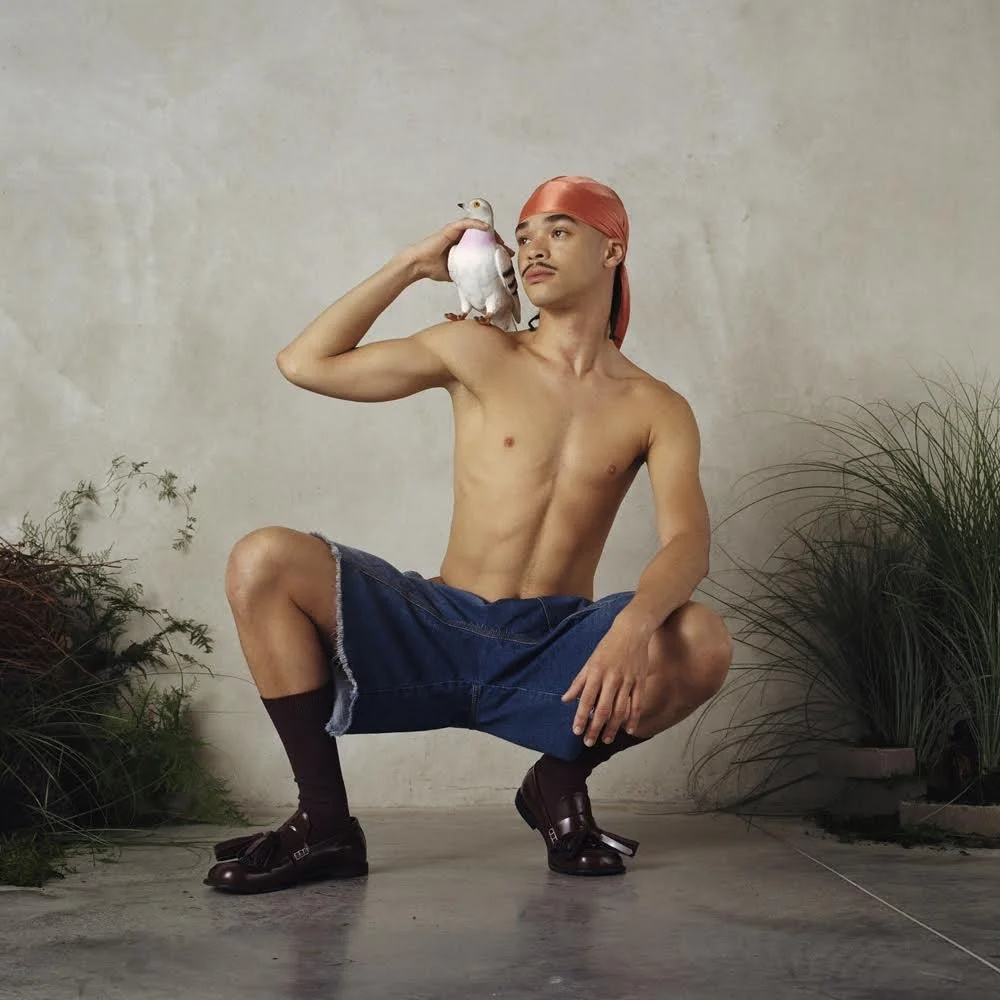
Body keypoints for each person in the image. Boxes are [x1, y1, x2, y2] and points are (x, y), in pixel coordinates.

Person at [204, 175, 734, 894]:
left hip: (552, 644)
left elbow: (688, 543)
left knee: (701, 639)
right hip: (441, 623)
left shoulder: (657, 406)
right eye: (523, 236)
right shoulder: (480, 351)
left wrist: (635, 625)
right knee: (263, 558)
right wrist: (407, 266)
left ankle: (556, 784)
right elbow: (304, 363)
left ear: (613, 250)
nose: (533, 248)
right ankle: (324, 824)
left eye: (558, 231)